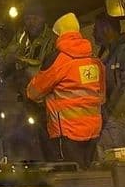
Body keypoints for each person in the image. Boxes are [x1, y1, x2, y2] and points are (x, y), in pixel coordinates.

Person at [26, 12, 105, 169]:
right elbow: (101, 97)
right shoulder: (95, 62)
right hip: (94, 133)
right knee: (91, 177)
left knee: (71, 180)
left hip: (67, 134)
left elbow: (33, 93)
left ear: (58, 35)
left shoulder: (58, 60)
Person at [0, 2, 56, 161]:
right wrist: (10, 57)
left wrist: (26, 63)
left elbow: (50, 68)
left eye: (35, 17)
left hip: (43, 100)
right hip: (21, 99)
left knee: (45, 141)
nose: (31, 21)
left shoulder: (51, 39)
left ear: (43, 19)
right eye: (28, 18)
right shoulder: (20, 37)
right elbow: (4, 60)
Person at [93, 12, 125, 156]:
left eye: (96, 30)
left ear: (107, 30)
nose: (93, 34)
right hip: (110, 118)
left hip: (123, 119)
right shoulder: (108, 55)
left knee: (98, 147)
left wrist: (111, 114)